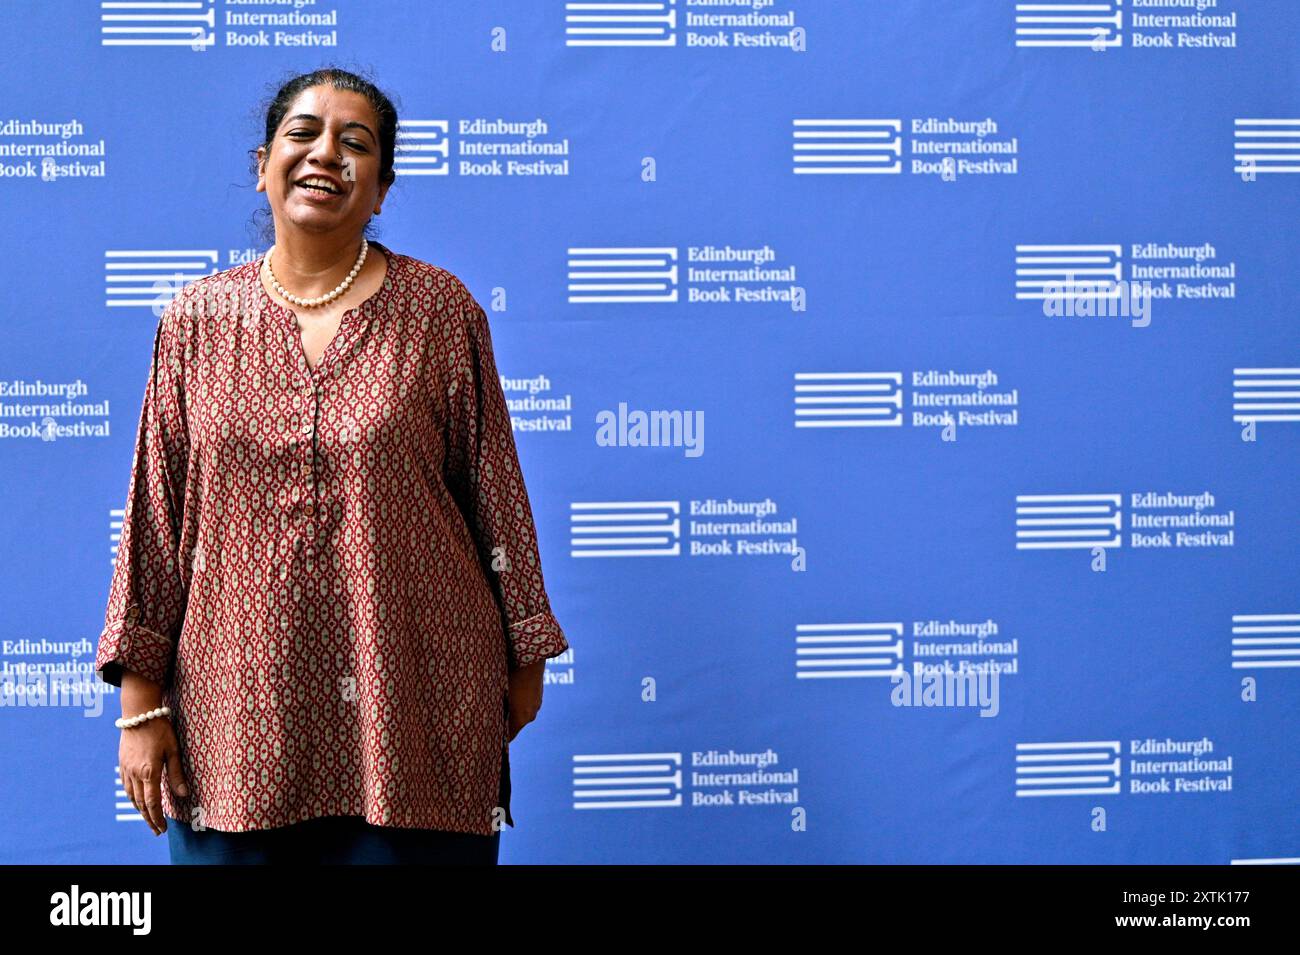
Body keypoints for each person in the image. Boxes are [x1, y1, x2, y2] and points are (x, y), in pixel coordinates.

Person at [94, 67, 570, 865]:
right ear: (262, 164)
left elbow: (496, 493)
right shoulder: (196, 321)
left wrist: (524, 648)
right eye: (303, 134)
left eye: (356, 144)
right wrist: (140, 703)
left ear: (381, 189)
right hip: (236, 715)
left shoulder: (439, 312)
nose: (326, 155)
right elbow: (156, 513)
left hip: (415, 701)